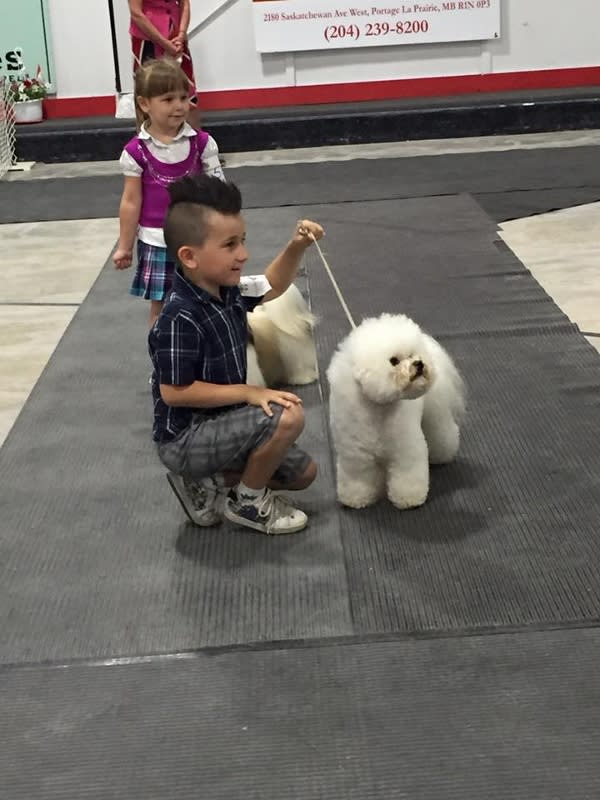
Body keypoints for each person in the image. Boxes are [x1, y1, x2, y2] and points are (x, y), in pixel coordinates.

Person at [149, 174, 324, 535]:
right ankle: (248, 502)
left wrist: (296, 246)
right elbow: (173, 392)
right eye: (230, 245)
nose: (243, 254)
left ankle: (206, 483)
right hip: (184, 439)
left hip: (223, 424)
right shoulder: (178, 316)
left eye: (242, 241)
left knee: (305, 474)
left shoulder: (227, 289)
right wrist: (249, 393)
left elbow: (273, 285)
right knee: (287, 418)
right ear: (189, 256)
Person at [113, 58, 224, 329]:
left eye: (184, 97)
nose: (179, 106)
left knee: (207, 301)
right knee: (162, 308)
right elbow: (130, 202)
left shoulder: (202, 143)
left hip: (199, 238)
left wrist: (226, 232)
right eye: (168, 99)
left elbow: (220, 190)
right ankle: (164, 365)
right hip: (156, 242)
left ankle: (204, 361)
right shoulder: (135, 152)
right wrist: (125, 246)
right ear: (144, 104)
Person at [128, 0, 202, 130]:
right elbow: (136, 13)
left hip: (175, 36)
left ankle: (196, 144)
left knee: (187, 91)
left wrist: (181, 34)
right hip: (147, 39)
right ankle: (146, 145)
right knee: (148, 92)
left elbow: (185, 4)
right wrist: (164, 43)